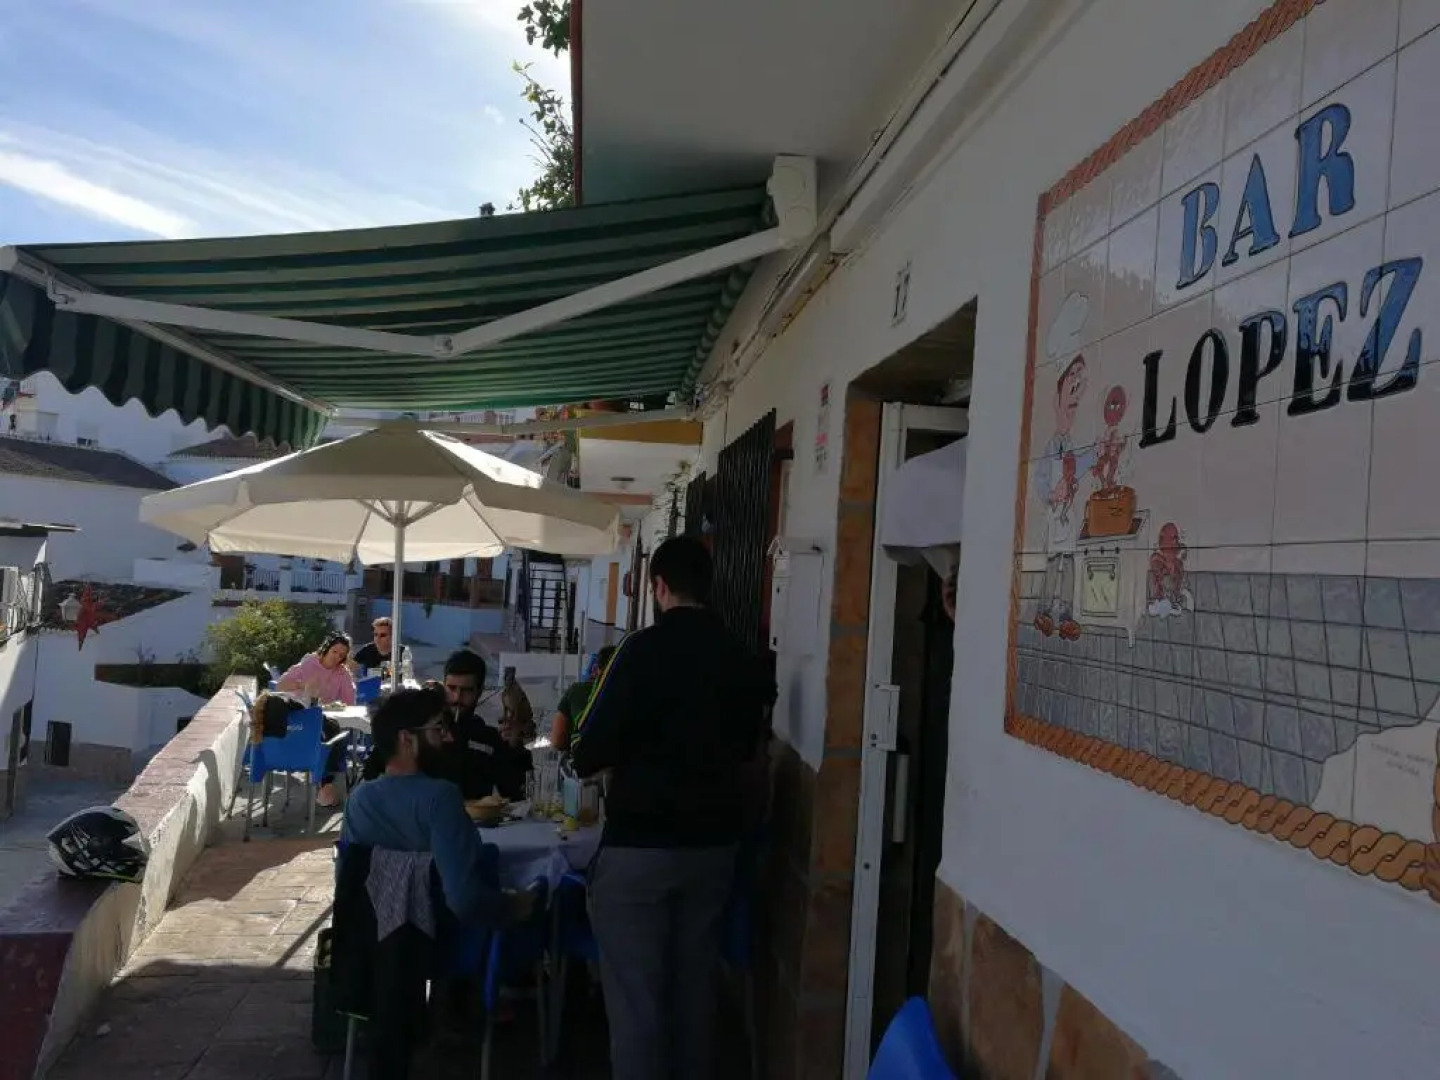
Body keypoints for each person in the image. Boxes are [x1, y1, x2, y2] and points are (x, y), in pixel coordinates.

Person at [572, 535, 775, 1080]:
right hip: (714, 851)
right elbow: (750, 749)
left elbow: (586, 751)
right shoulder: (741, 658)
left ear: (659, 587)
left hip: (640, 848)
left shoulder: (638, 653)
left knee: (638, 1008)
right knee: (693, 1001)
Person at [341, 687, 526, 925]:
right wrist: (516, 905)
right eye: (438, 729)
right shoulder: (441, 798)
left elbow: (347, 882)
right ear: (406, 739)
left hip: (374, 943)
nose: (448, 737)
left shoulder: (358, 800)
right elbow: (465, 900)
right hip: (441, 946)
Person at [276, 631, 355, 807]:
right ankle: (326, 784)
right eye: (335, 651)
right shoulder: (309, 663)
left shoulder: (342, 673)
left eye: (341, 655)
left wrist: (335, 699)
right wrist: (303, 685)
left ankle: (325, 784)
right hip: (300, 720)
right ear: (326, 648)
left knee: (335, 733)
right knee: (334, 734)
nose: (337, 657)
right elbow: (280, 684)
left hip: (326, 717)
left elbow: (349, 702)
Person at [440, 650, 529, 800]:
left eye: (466, 690)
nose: (457, 698)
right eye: (452, 688)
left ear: (480, 692)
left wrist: (515, 747)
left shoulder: (487, 738)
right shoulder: (428, 731)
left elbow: (514, 793)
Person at [549, 646, 617, 751]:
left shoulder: (577, 691)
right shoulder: (634, 696)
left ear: (596, 668)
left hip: (585, 760)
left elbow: (557, 741)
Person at [498, 667, 536, 748]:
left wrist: (515, 721)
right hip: (515, 718)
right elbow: (506, 708)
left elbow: (517, 707)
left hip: (521, 717)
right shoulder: (505, 692)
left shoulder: (516, 691)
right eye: (506, 677)